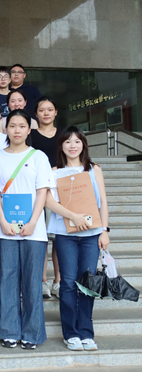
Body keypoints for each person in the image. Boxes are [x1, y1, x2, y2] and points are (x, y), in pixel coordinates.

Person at [0, 109, 53, 350]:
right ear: (6, 129)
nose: (17, 130)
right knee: (7, 279)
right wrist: (3, 222)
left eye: (22, 126)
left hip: (34, 230)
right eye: (13, 126)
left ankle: (32, 333)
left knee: (32, 282)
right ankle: (8, 330)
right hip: (5, 229)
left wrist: (34, 222)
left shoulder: (38, 157)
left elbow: (42, 192)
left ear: (29, 129)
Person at [45, 126, 110, 352]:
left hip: (91, 235)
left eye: (77, 141)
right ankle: (71, 333)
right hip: (66, 235)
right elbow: (49, 201)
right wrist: (73, 216)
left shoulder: (94, 169)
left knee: (88, 283)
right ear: (61, 146)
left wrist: (105, 230)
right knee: (68, 282)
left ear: (83, 144)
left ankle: (86, 332)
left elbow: (103, 201)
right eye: (68, 141)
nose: (72, 146)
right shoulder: (54, 171)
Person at [31, 96, 62, 298]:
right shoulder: (31, 135)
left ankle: (58, 281)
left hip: (60, 189)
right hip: (37, 189)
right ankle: (43, 281)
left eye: (50, 109)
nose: (46, 113)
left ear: (55, 112)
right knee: (41, 236)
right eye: (42, 110)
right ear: (36, 114)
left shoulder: (63, 134)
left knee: (58, 238)